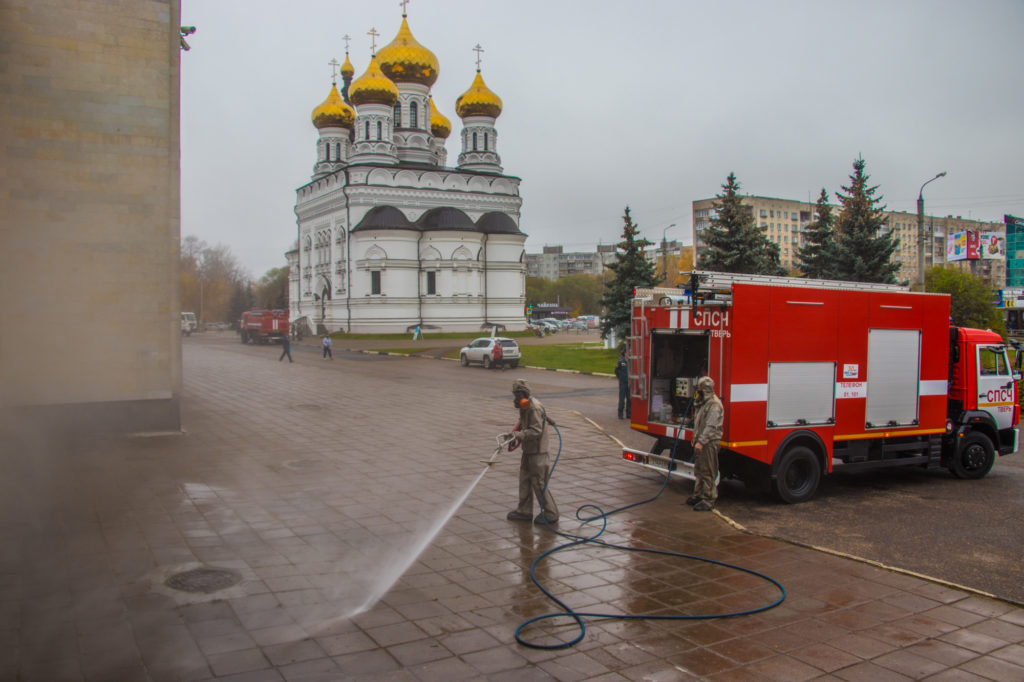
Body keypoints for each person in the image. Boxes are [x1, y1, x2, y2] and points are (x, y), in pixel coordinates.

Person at [503, 379, 559, 524]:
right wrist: (514, 433)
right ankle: (524, 511)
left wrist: (519, 435)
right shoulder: (526, 406)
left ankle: (551, 513)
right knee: (525, 480)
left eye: (516, 395)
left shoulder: (534, 407)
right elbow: (523, 423)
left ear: (522, 393)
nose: (515, 398)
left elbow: (536, 430)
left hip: (538, 452)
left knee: (539, 483)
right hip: (529, 450)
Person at [687, 376, 723, 511]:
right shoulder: (703, 403)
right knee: (699, 470)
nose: (698, 391)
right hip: (701, 441)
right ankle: (698, 495)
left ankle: (708, 499)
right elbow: (699, 422)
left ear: (706, 390)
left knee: (708, 470)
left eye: (700, 389)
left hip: (709, 443)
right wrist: (695, 437)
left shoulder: (714, 405)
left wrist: (701, 442)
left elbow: (711, 426)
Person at [614, 349, 630, 419]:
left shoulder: (630, 361)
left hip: (629, 383)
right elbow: (616, 370)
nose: (629, 353)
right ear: (625, 353)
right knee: (622, 399)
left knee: (629, 399)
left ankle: (629, 414)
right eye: (628, 352)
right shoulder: (621, 361)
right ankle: (620, 414)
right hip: (623, 383)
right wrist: (620, 377)